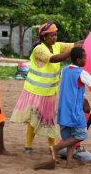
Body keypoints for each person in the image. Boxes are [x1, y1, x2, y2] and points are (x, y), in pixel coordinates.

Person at [34, 46, 91, 170]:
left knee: (69, 138)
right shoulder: (81, 73)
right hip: (74, 112)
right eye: (84, 58)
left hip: (63, 111)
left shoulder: (65, 70)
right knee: (81, 135)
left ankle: (69, 162)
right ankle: (56, 148)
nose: (86, 59)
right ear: (78, 60)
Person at [10, 22, 84, 154]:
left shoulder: (57, 46)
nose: (55, 37)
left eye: (55, 35)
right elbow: (53, 59)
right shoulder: (39, 49)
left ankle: (51, 147)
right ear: (43, 37)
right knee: (35, 118)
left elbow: (75, 44)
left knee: (49, 119)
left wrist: (89, 40)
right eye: (51, 35)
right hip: (35, 91)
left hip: (49, 92)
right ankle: (30, 146)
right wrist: (72, 51)